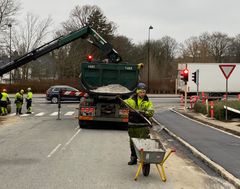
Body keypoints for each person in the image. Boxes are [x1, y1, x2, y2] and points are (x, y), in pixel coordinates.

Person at [124, 82, 154, 165]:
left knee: (144, 142)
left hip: (143, 126)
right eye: (141, 92)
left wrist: (145, 113)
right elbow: (125, 103)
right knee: (132, 142)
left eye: (144, 92)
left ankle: (144, 159)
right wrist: (121, 101)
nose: (142, 94)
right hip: (132, 125)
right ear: (137, 92)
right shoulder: (131, 100)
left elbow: (151, 111)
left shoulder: (147, 102)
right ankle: (133, 158)